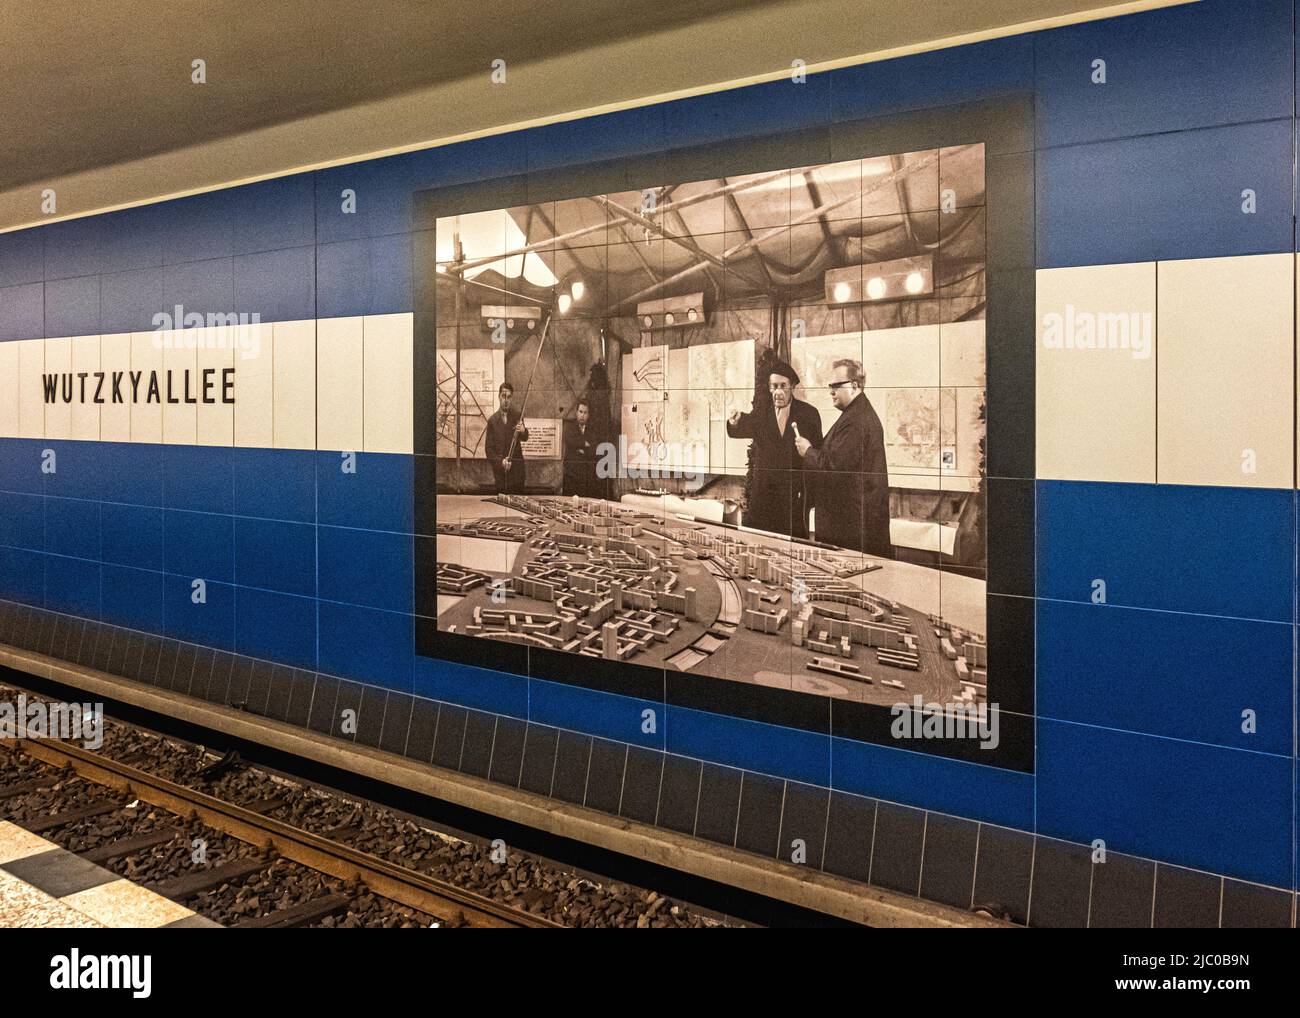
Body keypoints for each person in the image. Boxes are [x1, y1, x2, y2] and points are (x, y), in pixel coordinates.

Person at [794, 358, 892, 557]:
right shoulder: (856, 414)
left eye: (836, 386)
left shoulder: (857, 421)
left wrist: (808, 451)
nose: (831, 391)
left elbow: (834, 468)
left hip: (850, 527)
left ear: (854, 386)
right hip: (852, 523)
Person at [726, 361, 823, 538]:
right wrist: (734, 421)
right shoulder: (762, 412)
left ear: (792, 387)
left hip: (793, 499)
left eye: (783, 386)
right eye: (774, 386)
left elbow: (818, 454)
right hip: (763, 497)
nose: (778, 392)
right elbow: (741, 428)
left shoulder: (809, 414)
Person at [484, 383, 529, 493]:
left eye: (509, 397)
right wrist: (501, 463)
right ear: (499, 397)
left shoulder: (517, 416)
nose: (506, 400)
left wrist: (523, 431)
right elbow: (489, 449)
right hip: (501, 474)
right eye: (503, 396)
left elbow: (525, 437)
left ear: (511, 398)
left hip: (517, 473)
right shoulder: (492, 421)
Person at [562, 398, 600, 498]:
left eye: (585, 413)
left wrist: (580, 448)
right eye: (580, 412)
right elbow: (571, 441)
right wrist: (584, 444)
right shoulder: (569, 427)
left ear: (589, 415)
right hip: (571, 476)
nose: (582, 415)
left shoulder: (593, 430)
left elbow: (594, 449)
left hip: (586, 478)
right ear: (576, 412)